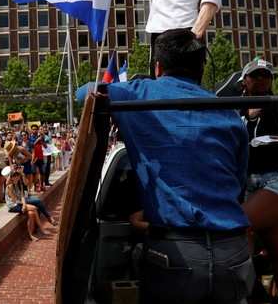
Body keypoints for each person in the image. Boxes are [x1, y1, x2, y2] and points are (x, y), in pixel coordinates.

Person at [107, 28, 253, 303]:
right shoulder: (230, 113)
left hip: (174, 253)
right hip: (233, 251)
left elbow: (85, 94)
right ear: (201, 69)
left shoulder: (137, 95)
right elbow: (237, 182)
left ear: (158, 67)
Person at [237, 58, 278, 303]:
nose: (262, 80)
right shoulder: (236, 110)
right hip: (250, 182)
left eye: (266, 76)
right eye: (256, 76)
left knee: (240, 224)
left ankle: (254, 295)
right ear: (244, 80)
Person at [5, 171, 55, 241]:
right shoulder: (9, 187)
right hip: (13, 206)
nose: (16, 178)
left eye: (17, 176)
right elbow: (14, 200)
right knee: (34, 208)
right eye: (14, 176)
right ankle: (41, 228)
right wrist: (23, 205)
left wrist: (24, 205)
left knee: (31, 214)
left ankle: (31, 235)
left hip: (20, 204)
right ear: (11, 178)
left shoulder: (20, 184)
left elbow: (22, 196)